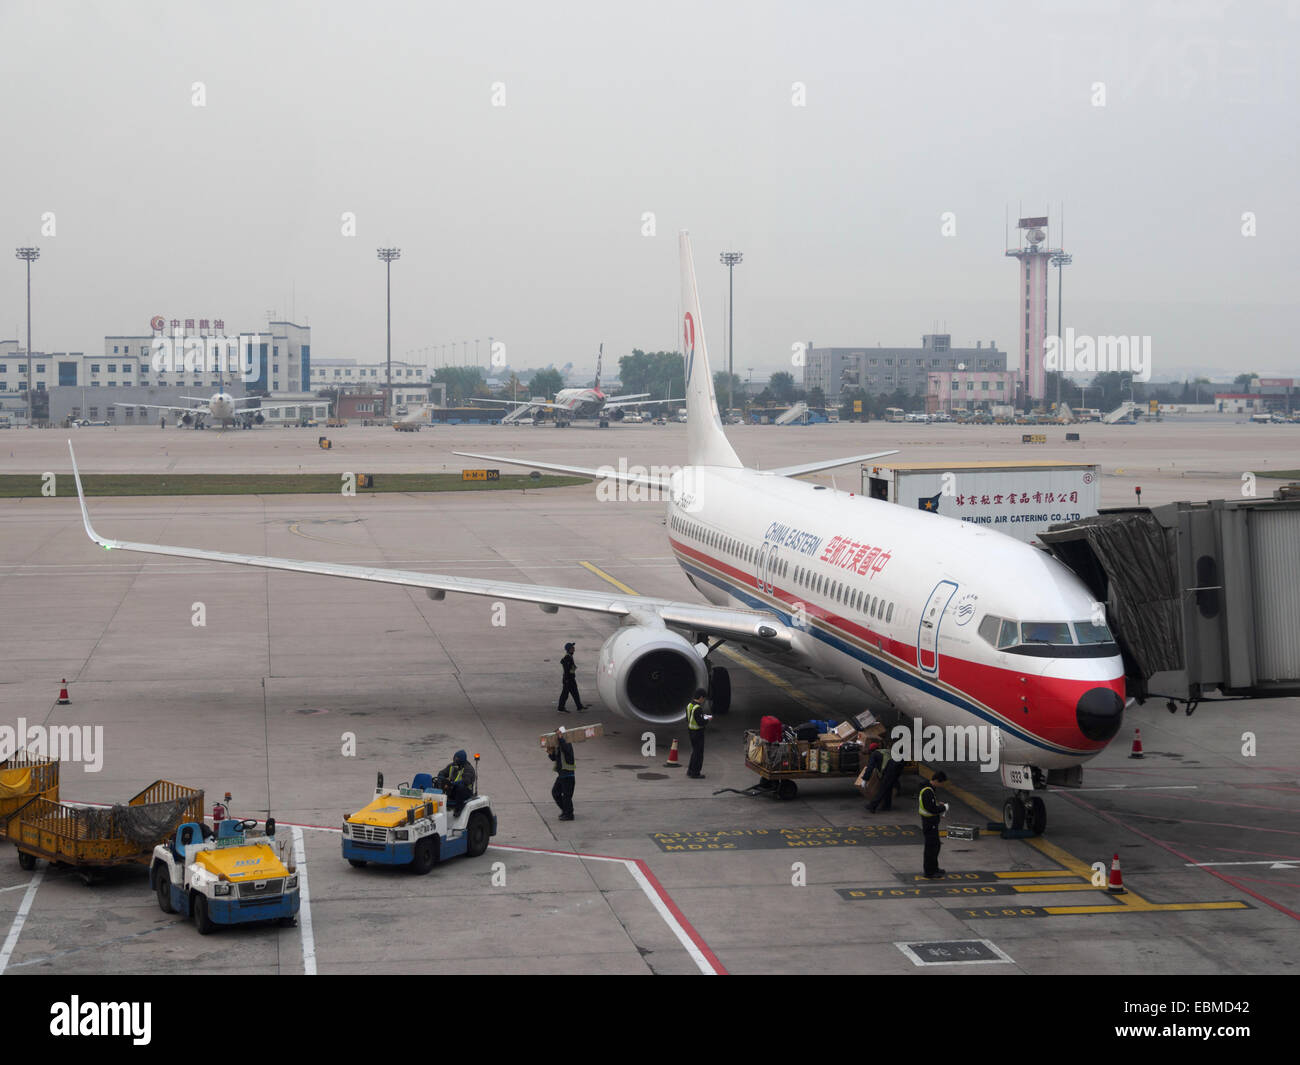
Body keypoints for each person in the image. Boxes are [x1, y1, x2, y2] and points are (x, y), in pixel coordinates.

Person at [919, 771, 950, 879]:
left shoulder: (929, 788)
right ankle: (929, 872)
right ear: (937, 781)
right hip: (929, 823)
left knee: (935, 846)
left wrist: (937, 804)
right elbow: (931, 808)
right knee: (931, 848)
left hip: (931, 823)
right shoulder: (928, 791)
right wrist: (943, 808)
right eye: (941, 783)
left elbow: (931, 804)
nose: (941, 786)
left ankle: (934, 868)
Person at [435, 750, 476, 817]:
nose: (455, 760)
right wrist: (441, 780)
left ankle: (459, 809)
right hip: (452, 788)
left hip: (466, 792)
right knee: (436, 782)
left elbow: (466, 781)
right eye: (455, 758)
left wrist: (453, 784)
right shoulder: (452, 766)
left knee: (460, 787)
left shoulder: (469, 769)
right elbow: (441, 773)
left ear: (462, 759)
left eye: (457, 759)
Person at [868, 744, 904, 813]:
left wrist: (884, 774)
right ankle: (887, 806)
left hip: (889, 773)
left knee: (882, 789)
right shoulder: (898, 757)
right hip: (892, 773)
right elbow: (899, 770)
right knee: (888, 789)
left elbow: (887, 766)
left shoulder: (892, 756)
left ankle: (873, 806)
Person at [550, 726, 575, 820]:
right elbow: (553, 758)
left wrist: (561, 739)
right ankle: (566, 811)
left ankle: (569, 814)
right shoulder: (559, 746)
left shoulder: (567, 744)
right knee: (555, 793)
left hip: (568, 775)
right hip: (562, 775)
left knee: (566, 796)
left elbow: (566, 750)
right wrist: (550, 752)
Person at [686, 688, 711, 779]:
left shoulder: (689, 706)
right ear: (700, 698)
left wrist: (702, 717)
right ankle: (695, 773)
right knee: (699, 754)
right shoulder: (698, 708)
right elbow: (700, 722)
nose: (703, 700)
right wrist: (707, 719)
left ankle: (690, 770)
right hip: (698, 733)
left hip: (690, 731)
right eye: (703, 698)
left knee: (694, 752)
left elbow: (689, 718)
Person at [556, 642, 587, 713]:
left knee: (575, 693)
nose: (574, 649)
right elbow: (566, 669)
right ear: (569, 649)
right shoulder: (567, 657)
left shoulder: (569, 656)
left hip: (571, 678)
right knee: (565, 694)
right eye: (572, 648)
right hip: (568, 679)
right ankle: (560, 708)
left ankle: (579, 706)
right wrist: (567, 678)